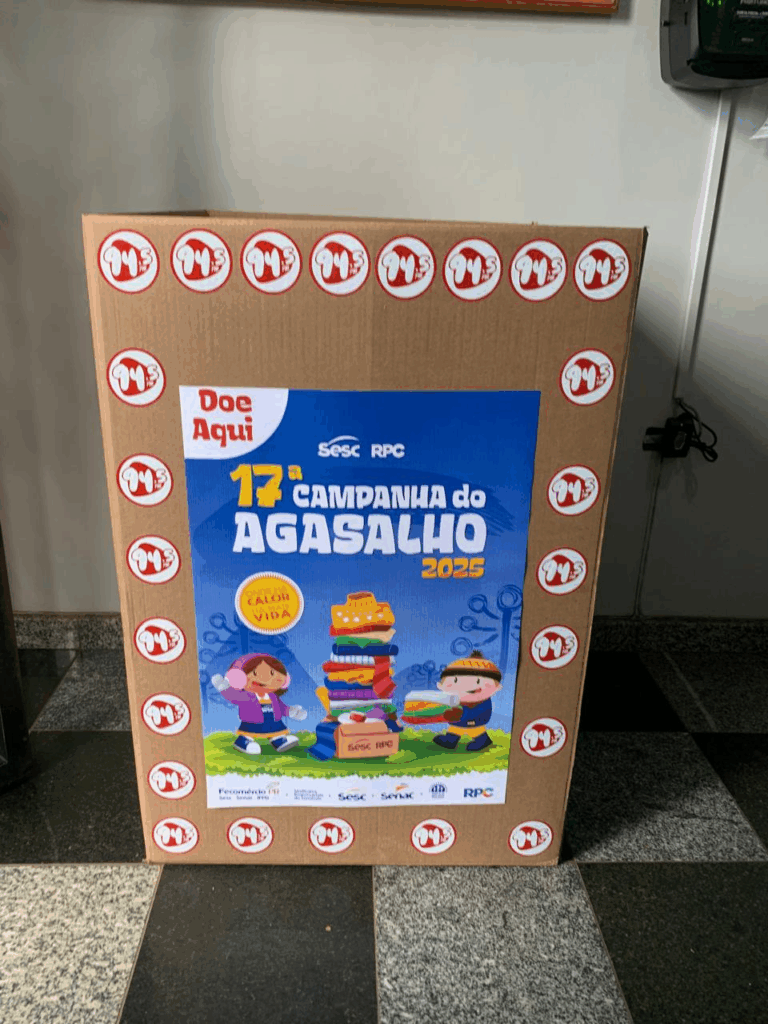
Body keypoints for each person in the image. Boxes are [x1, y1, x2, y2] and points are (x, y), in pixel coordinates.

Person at [212, 654, 307, 755]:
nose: (265, 678)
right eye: (255, 673)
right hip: (253, 723)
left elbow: (281, 708)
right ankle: (243, 741)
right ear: (238, 678)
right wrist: (224, 687)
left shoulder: (273, 697)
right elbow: (233, 696)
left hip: (274, 723)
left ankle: (279, 741)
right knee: (248, 733)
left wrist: (292, 711)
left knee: (276, 732)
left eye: (272, 673)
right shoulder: (247, 696)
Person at [432, 649, 502, 752]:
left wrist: (461, 714)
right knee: (455, 728)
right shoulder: (456, 699)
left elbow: (481, 712)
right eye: (456, 680)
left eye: (477, 681)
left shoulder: (482, 700)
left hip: (475, 720)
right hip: (459, 720)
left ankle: (483, 740)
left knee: (476, 730)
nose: (465, 686)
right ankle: (451, 740)